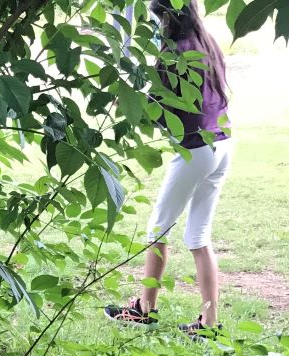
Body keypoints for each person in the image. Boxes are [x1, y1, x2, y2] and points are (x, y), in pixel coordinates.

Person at [105, 0, 232, 337]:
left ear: (168, 16)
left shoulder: (174, 52)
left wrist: (129, 104)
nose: (158, 23)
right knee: (198, 236)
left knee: (157, 229)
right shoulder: (207, 42)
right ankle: (209, 323)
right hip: (223, 145)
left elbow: (162, 112)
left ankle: (144, 309)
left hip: (196, 149)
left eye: (159, 16)